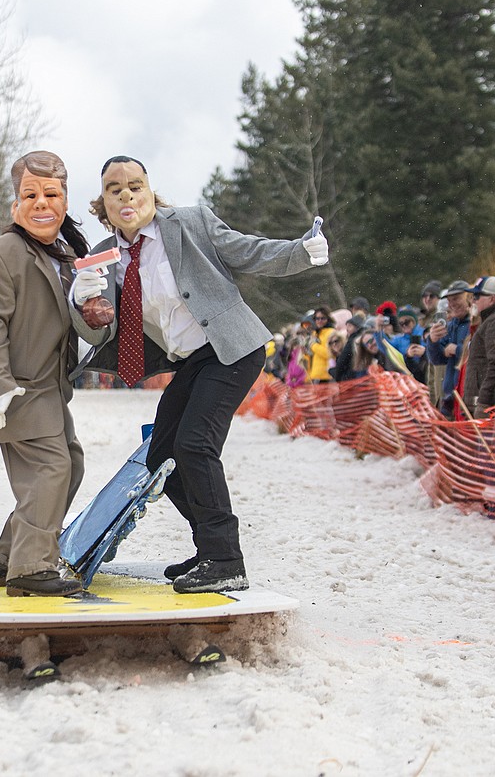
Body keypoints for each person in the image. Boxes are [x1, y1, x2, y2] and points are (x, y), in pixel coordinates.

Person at [84, 155, 328, 594]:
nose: (127, 195)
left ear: (149, 191)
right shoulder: (104, 258)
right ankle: (209, 548)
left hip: (231, 348)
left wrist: (300, 252)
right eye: (114, 188)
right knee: (161, 455)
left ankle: (225, 559)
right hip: (191, 361)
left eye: (135, 185)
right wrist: (86, 303)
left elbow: (248, 250)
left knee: (195, 444)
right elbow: (94, 318)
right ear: (102, 202)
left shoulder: (189, 224)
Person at [0, 150, 110, 597]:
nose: (42, 203)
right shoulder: (0, 254)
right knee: (53, 469)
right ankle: (29, 569)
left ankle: (10, 556)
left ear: (64, 201)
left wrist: (95, 311)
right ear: (15, 205)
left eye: (52, 194)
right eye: (30, 194)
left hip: (50, 388)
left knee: (71, 467)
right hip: (18, 390)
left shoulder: (65, 256)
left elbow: (75, 322)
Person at [462, 276, 495, 419]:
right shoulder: (491, 319)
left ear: (492, 298)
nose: (473, 300)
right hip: (480, 400)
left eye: (477, 296)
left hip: (487, 404)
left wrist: (484, 402)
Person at [426, 280, 473, 418]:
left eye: (457, 298)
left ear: (469, 298)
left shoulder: (475, 322)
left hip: (466, 397)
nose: (452, 304)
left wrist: (457, 350)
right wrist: (433, 341)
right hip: (450, 398)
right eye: (450, 300)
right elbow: (437, 359)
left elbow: (478, 355)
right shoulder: (451, 325)